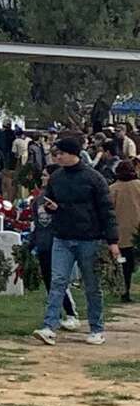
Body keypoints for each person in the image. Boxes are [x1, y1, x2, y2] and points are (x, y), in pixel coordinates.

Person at [33, 137, 120, 345]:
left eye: (60, 153)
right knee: (57, 282)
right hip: (62, 237)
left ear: (73, 154)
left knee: (92, 285)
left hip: (89, 239)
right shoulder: (56, 178)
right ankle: (49, 326)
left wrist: (112, 240)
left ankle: (96, 328)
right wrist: (49, 207)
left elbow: (107, 211)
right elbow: (49, 202)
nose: (57, 157)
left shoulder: (94, 178)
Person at [30, 165, 79, 326]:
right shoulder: (37, 200)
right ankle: (55, 315)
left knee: (59, 281)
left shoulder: (60, 196)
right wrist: (32, 244)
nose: (43, 178)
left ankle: (71, 313)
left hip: (58, 243)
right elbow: (37, 224)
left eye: (45, 175)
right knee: (48, 281)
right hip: (43, 244)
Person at [108, 160, 140, 302]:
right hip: (138, 231)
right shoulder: (138, 186)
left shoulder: (113, 189)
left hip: (120, 235)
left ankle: (124, 291)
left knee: (124, 263)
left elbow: (109, 211)